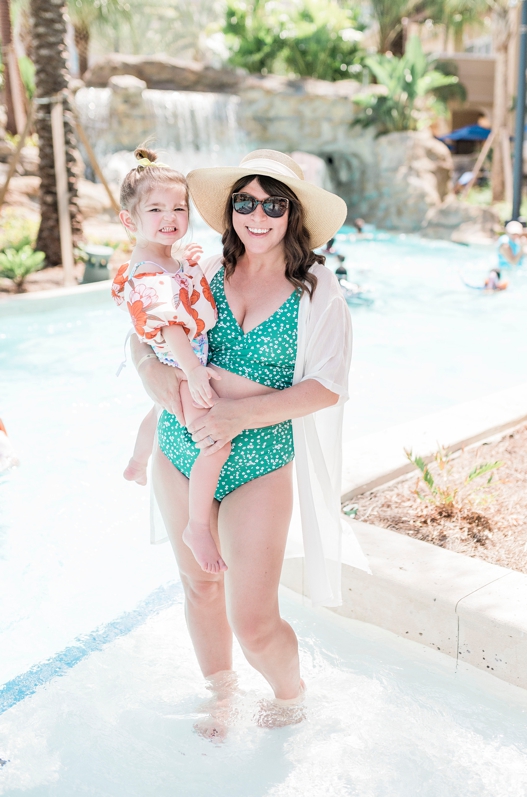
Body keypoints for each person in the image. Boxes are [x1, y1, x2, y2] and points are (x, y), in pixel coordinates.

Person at [129, 150, 352, 734]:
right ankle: (221, 696)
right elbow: (143, 336)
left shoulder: (317, 290)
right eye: (245, 202)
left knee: (252, 620)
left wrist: (234, 419)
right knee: (201, 588)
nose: (258, 215)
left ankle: (289, 696)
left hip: (258, 464)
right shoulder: (197, 273)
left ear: (292, 214)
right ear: (231, 211)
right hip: (180, 454)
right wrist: (153, 377)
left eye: (272, 204)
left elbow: (328, 387)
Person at [113, 146, 285, 575]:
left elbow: (176, 295)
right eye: (155, 209)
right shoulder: (151, 272)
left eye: (178, 207)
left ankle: (137, 461)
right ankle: (196, 526)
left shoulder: (165, 260)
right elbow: (170, 326)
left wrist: (187, 265)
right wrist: (192, 372)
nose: (170, 216)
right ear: (129, 220)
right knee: (215, 440)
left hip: (177, 360)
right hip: (180, 361)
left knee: (158, 411)